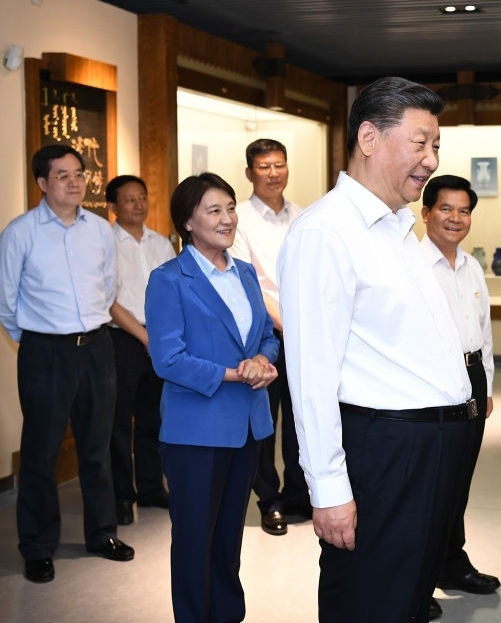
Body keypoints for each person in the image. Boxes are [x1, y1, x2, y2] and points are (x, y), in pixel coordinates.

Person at [279, 77, 476, 623]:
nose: (432, 159)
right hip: (384, 451)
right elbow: (310, 376)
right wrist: (328, 490)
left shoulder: (395, 229)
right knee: (368, 601)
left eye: (436, 145)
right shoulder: (325, 232)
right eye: (421, 143)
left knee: (404, 601)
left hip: (426, 451)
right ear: (369, 138)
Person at [146, 173, 279, 622]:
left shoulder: (245, 272)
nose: (228, 219)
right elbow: (168, 359)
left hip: (247, 426)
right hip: (196, 432)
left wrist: (261, 359)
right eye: (214, 210)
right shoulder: (169, 279)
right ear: (188, 222)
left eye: (231, 208)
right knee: (194, 541)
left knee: (228, 540)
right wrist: (235, 374)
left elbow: (266, 335)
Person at [0, 145, 135, 584]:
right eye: (63, 175)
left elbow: (109, 286)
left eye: (79, 173)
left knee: (97, 447)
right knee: (41, 452)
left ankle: (102, 534)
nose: (75, 182)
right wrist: (39, 340)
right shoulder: (21, 233)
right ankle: (37, 547)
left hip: (97, 347)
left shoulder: (99, 229)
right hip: (46, 352)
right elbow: (6, 301)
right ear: (42, 183)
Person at [420, 175, 501, 611]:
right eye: (446, 209)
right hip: (434, 380)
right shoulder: (414, 266)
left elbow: (483, 332)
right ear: (426, 213)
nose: (456, 218)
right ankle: (419, 578)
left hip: (472, 378)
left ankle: (451, 563)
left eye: (464, 210)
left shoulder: (471, 266)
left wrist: (486, 384)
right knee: (432, 484)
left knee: (459, 479)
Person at [230, 138, 309, 536]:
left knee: (302, 419)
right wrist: (286, 325)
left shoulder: (303, 216)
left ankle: (298, 493)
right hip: (264, 336)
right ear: (250, 173)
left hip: (305, 335)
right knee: (265, 422)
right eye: (264, 167)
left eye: (279, 165)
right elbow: (249, 283)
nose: (273, 173)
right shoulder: (239, 218)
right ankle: (269, 500)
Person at [105, 174, 176, 525]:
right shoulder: (105, 243)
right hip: (122, 339)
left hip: (159, 337)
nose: (138, 205)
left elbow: (173, 292)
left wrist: (160, 336)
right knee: (119, 421)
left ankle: (151, 488)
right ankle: (122, 496)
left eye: (142, 197)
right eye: (129, 199)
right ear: (113, 206)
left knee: (154, 417)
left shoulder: (161, 243)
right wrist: (144, 337)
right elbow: (107, 300)